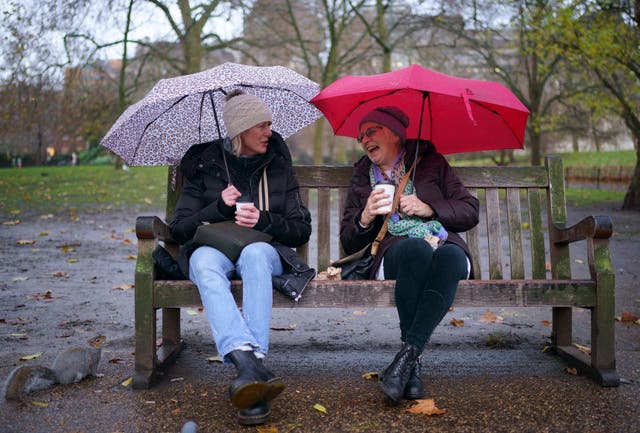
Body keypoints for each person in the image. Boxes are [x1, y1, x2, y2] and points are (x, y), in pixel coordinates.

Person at [169, 90, 313, 425]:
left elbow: (300, 229)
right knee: (202, 262)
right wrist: (217, 207)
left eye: (269, 124)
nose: (269, 132)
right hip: (215, 249)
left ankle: (248, 362)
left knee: (254, 254)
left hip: (264, 251)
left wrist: (263, 220)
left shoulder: (278, 168)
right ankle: (251, 367)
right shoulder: (205, 166)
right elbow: (178, 230)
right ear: (240, 130)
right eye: (261, 125)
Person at [340, 106, 479, 404]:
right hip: (394, 253)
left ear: (394, 134)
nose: (364, 139)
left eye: (371, 131)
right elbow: (348, 242)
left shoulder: (431, 162)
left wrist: (430, 208)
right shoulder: (363, 176)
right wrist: (364, 216)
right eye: (361, 136)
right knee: (415, 250)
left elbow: (470, 210)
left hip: (441, 242)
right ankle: (411, 363)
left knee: (452, 258)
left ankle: (407, 362)